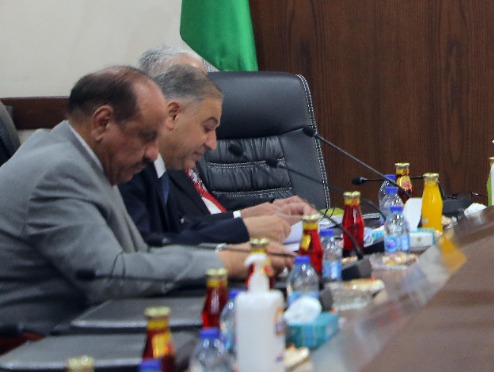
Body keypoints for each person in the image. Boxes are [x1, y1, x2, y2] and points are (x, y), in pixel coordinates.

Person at [0, 67, 289, 334]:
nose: (153, 154)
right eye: (147, 137)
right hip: (35, 341)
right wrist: (225, 262)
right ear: (102, 122)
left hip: (87, 321)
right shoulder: (61, 172)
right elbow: (111, 277)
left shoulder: (80, 155)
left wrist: (232, 254)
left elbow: (141, 252)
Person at [118, 65, 296, 246]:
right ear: (173, 115)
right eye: (207, 128)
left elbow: (178, 229)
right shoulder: (131, 170)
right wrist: (243, 233)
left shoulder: (158, 168)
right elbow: (148, 247)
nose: (212, 144)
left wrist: (245, 220)